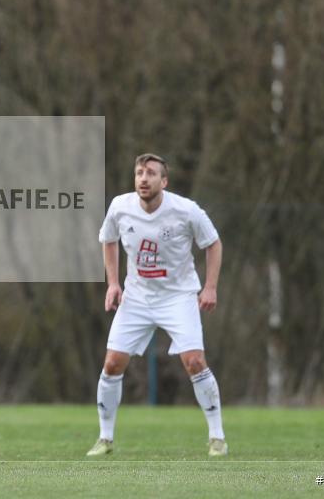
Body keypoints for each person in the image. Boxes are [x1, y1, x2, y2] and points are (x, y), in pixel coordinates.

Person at [87, 153, 228, 458]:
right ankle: (105, 438)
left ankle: (217, 437)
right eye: (139, 173)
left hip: (178, 296)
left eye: (151, 173)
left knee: (194, 362)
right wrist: (113, 283)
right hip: (137, 297)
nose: (143, 179)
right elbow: (108, 240)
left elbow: (213, 243)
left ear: (164, 181)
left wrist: (210, 287)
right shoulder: (120, 207)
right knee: (112, 364)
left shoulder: (186, 210)